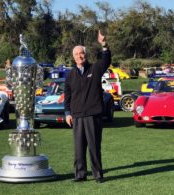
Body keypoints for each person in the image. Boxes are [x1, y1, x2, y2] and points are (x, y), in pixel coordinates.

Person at [64, 30, 111, 183]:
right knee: (78, 149)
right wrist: (67, 113)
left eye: (82, 53)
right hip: (77, 116)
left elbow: (106, 61)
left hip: (93, 115)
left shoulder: (95, 69)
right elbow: (68, 96)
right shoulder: (70, 75)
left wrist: (104, 44)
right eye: (77, 54)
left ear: (86, 54)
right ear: (73, 57)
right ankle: (80, 175)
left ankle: (98, 175)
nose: (80, 56)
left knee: (94, 147)